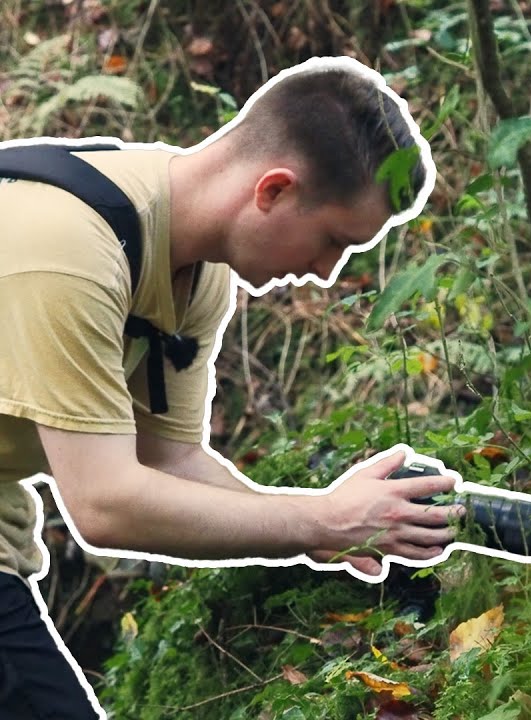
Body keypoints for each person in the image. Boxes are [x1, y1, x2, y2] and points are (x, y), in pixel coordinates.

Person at [0, 57, 458, 718]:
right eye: (334, 240)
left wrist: (325, 531)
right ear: (272, 190)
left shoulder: (194, 269)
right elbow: (105, 504)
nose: (328, 272)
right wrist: (319, 520)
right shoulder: (66, 246)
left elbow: (168, 459)